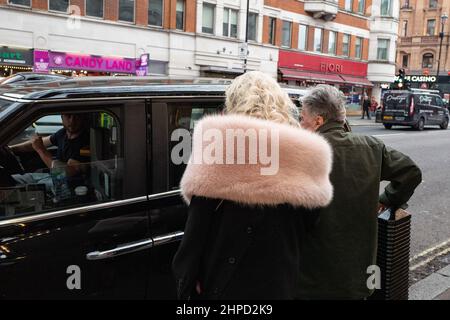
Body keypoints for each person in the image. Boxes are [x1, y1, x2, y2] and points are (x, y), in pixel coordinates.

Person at [172, 71, 334, 300]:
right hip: (278, 285)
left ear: (233, 105)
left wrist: (186, 289)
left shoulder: (219, 151)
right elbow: (309, 225)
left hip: (223, 288)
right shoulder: (304, 156)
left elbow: (194, 240)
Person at [299, 84, 422, 300]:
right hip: (359, 278)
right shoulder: (371, 146)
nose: (300, 124)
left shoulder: (303, 153)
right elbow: (411, 172)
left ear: (318, 120)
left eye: (302, 118)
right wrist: (387, 199)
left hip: (312, 280)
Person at [9, 113, 90, 190]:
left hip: (68, 185)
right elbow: (37, 143)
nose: (72, 121)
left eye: (77, 116)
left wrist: (40, 149)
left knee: (19, 187)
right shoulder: (63, 133)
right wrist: (11, 149)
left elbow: (68, 172)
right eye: (68, 116)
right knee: (13, 179)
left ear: (83, 118)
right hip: (52, 177)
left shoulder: (87, 141)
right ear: (62, 117)